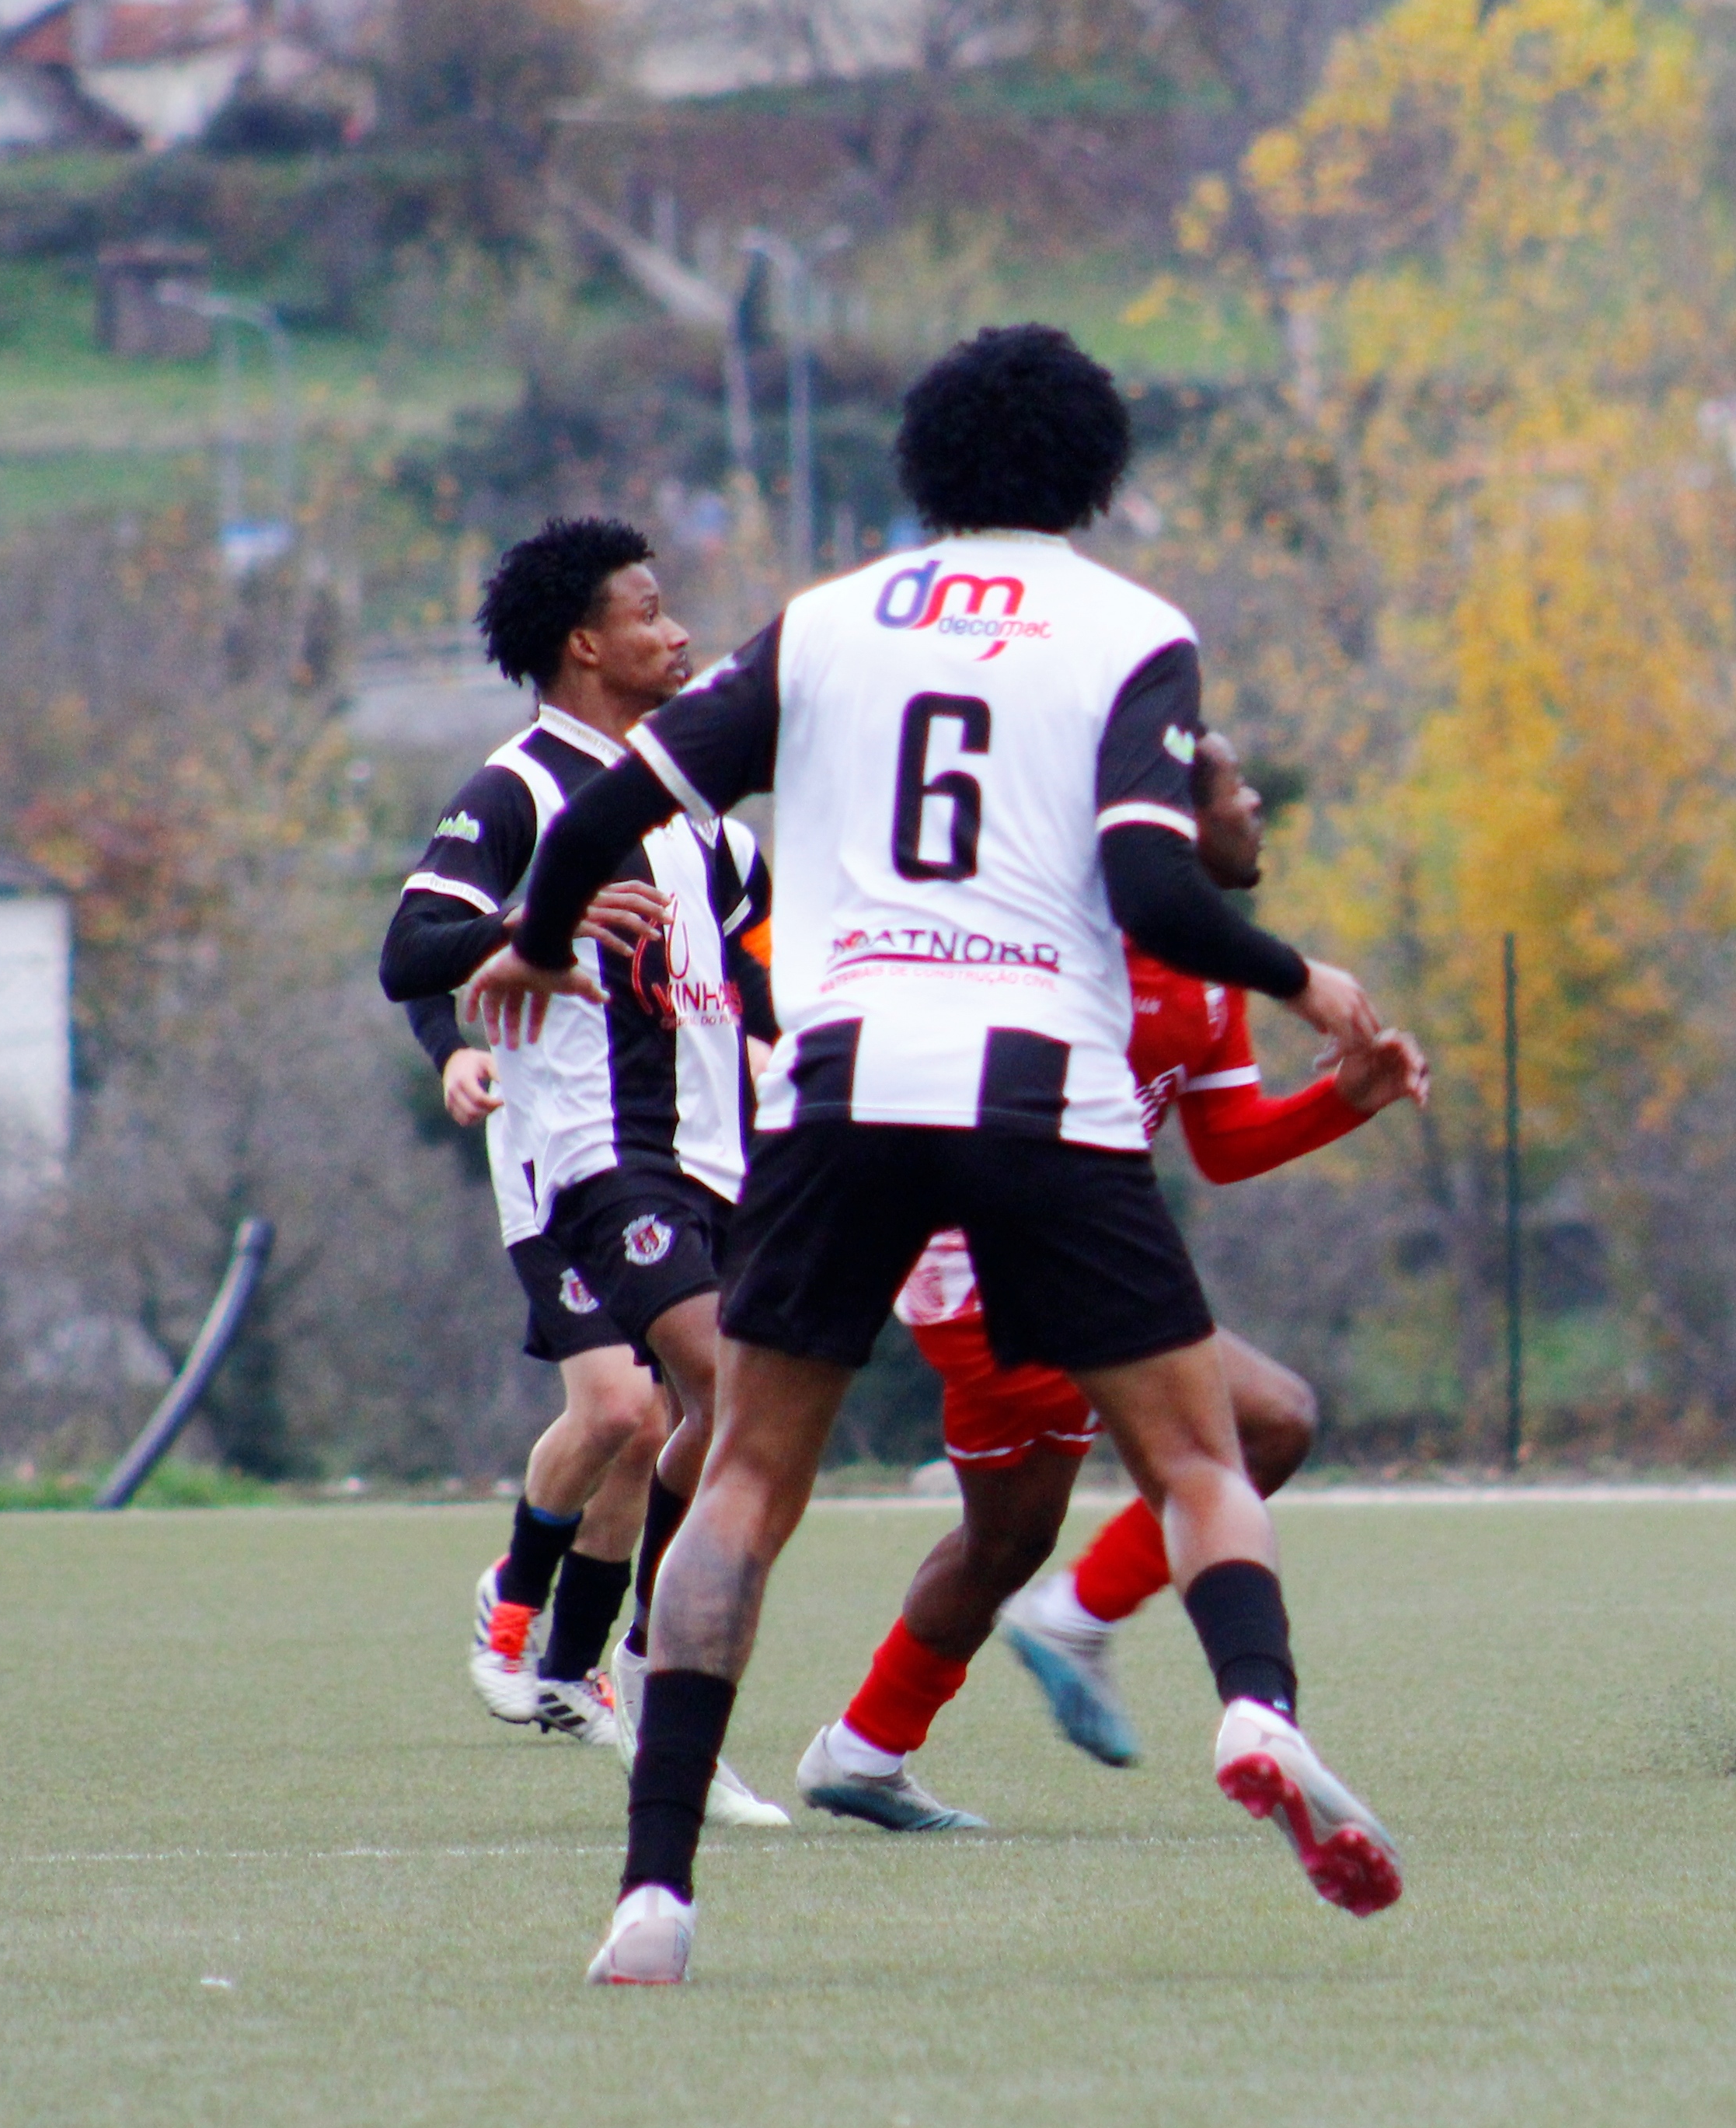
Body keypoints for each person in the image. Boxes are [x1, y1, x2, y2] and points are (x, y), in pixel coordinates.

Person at [467, 324, 1409, 1987]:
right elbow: (1159, 892)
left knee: (746, 1477)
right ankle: (1256, 1712)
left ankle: (656, 1891)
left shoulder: (827, 622)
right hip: (1039, 1081)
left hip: (838, 1083)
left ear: (927, 463)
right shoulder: (1130, 631)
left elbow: (613, 807)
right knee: (1202, 1456)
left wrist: (539, 932)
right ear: (1094, 472)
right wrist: (1308, 979)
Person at [796, 727, 1427, 1832]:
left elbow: (1224, 1141)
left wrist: (1348, 1098)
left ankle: (862, 1747)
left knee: (1004, 1538)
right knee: (1269, 1422)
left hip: (1045, 1258)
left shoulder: (1211, 966)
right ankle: (1081, 1619)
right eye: (1240, 787)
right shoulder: (1066, 933)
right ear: (1176, 821)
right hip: (981, 1251)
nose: (1259, 803)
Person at [376, 517, 788, 1827]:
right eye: (653, 612)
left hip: (718, 1164)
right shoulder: (523, 789)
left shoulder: (698, 819)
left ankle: (587, 1658)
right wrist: (514, 935)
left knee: (668, 1424)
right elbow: (414, 943)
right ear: (585, 643)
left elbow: (757, 972)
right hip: (596, 1155)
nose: (679, 634)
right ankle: (627, 1667)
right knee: (688, 1401)